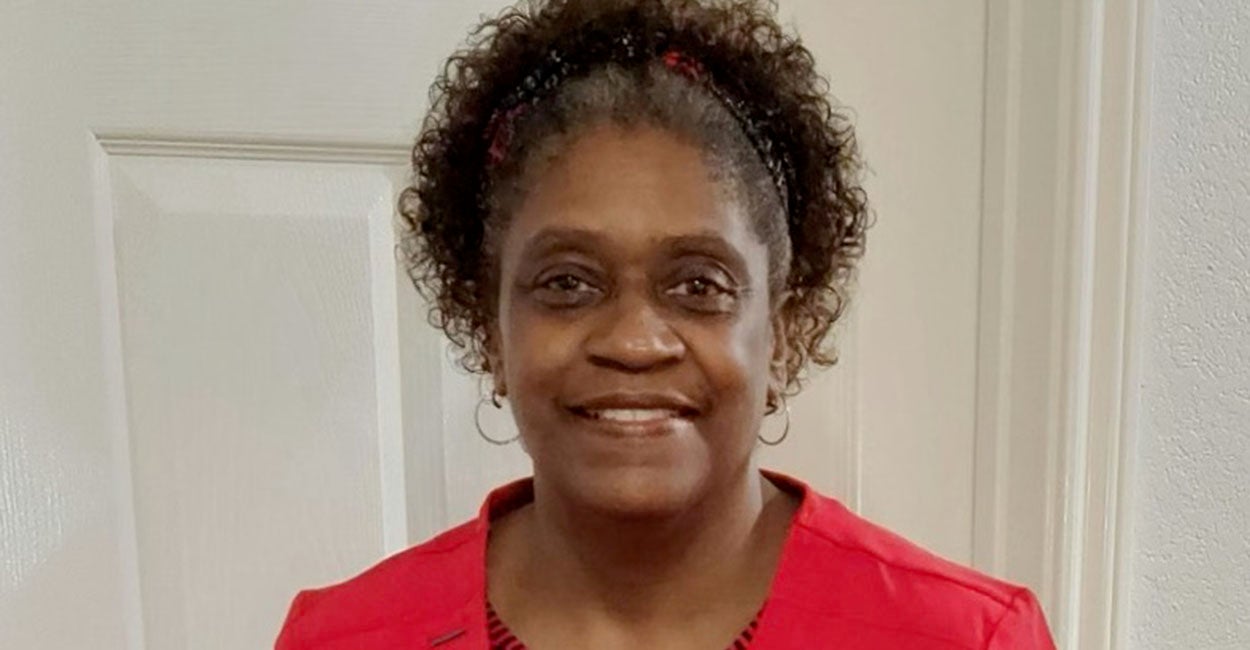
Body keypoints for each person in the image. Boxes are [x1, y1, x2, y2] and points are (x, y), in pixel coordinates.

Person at [275, 0, 1056, 647]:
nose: (634, 341)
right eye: (568, 283)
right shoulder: (341, 638)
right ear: (489, 329)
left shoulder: (963, 637)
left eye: (698, 285)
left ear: (784, 333)